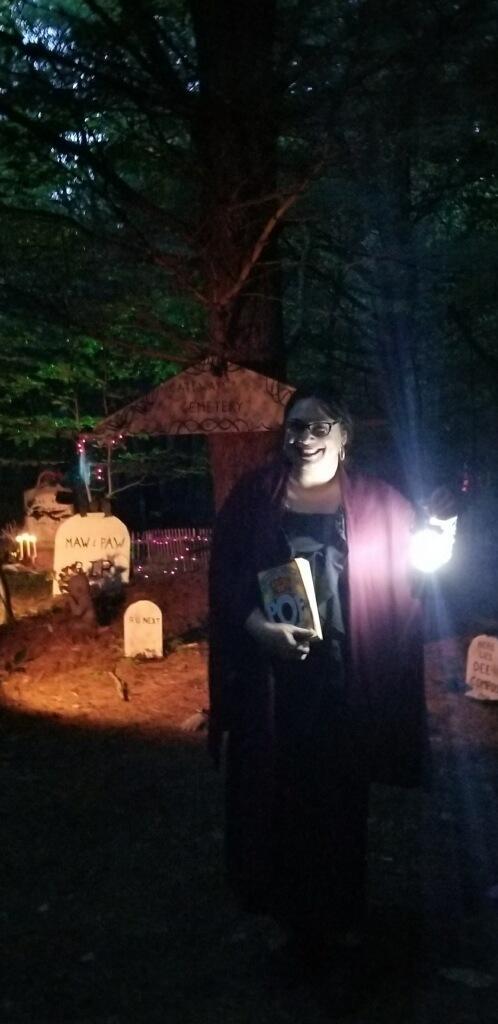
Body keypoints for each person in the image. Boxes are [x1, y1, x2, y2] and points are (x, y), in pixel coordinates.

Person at [208, 385, 451, 993]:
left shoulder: (379, 504)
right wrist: (257, 627)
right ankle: (294, 925)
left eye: (320, 426)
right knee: (280, 797)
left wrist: (439, 544)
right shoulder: (255, 499)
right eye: (296, 426)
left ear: (344, 436)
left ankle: (340, 922)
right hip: (274, 687)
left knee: (340, 800)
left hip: (345, 680)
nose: (306, 438)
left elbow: (417, 581)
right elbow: (227, 581)